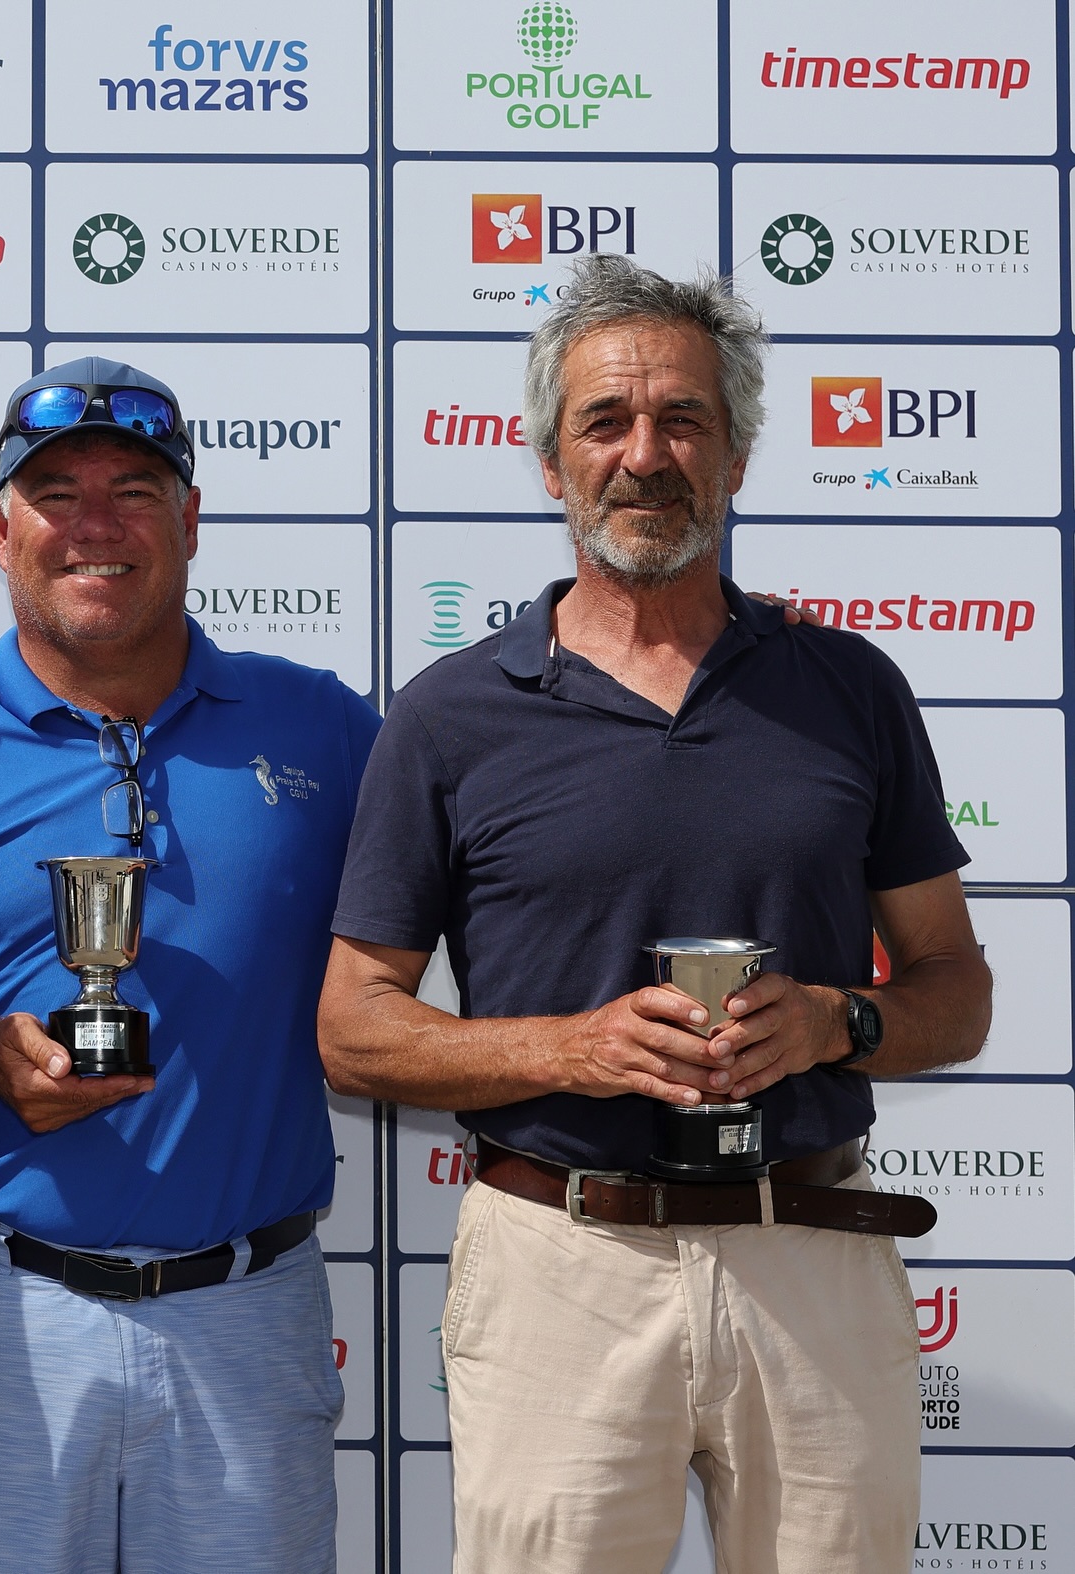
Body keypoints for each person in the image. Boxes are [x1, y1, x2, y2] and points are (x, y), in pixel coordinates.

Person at [317, 254, 992, 1573]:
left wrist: (836, 1022)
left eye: (682, 418)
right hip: (558, 1266)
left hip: (810, 1254)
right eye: (605, 422)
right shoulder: (449, 716)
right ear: (549, 462)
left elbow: (953, 989)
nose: (645, 454)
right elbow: (353, 1029)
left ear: (735, 456)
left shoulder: (848, 687)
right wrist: (570, 1048)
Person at [0, 357, 378, 1573]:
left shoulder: (323, 726)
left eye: (133, 490)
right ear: (0, 527)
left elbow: (493, 869)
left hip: (249, 1313)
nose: (94, 524)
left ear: (190, 519)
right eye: (55, 493)